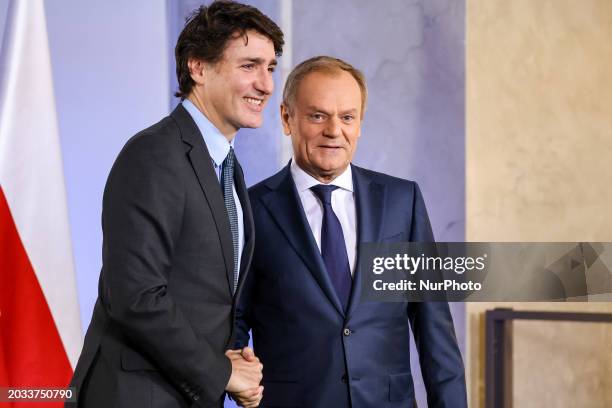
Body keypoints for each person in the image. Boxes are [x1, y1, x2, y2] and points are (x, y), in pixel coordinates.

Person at [68, 2, 283, 407]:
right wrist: (222, 374)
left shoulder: (227, 166)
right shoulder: (153, 154)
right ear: (198, 67)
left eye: (270, 67)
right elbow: (136, 295)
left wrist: (232, 364)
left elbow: (208, 295)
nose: (267, 84)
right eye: (249, 66)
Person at [234, 56, 467, 408]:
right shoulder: (250, 210)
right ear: (286, 117)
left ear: (359, 124)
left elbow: (434, 325)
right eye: (317, 115)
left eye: (347, 117)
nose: (334, 130)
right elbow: (233, 322)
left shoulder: (402, 201)